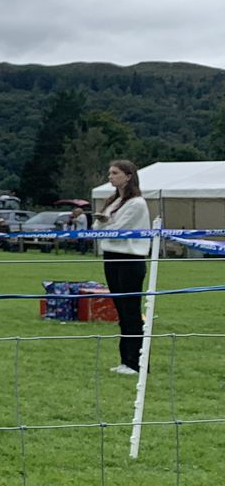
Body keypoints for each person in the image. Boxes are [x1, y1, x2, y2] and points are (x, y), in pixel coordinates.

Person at [94, 159, 150, 375]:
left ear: (128, 176)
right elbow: (97, 226)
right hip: (111, 257)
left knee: (131, 311)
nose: (110, 177)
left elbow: (118, 228)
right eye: (109, 173)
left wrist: (105, 222)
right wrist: (104, 221)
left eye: (115, 173)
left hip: (129, 259)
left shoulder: (136, 203)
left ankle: (136, 362)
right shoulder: (113, 201)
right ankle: (125, 360)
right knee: (120, 310)